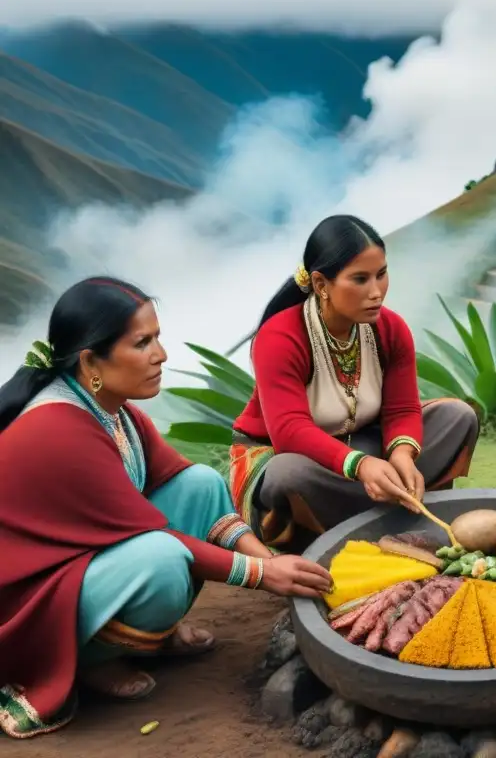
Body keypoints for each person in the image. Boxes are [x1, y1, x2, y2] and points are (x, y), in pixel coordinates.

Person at [0, 277, 334, 740]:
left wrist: (269, 558)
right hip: (30, 599)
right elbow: (152, 536)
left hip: (80, 560)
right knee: (161, 561)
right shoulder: (58, 428)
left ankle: (146, 637)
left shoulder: (110, 408)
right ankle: (90, 660)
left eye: (157, 338)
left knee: (199, 483)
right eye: (142, 343)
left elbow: (181, 485)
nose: (161, 354)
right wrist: (263, 575)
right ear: (90, 361)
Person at [230, 214, 479, 551]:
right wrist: (360, 466)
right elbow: (289, 431)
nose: (376, 292)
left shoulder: (390, 329)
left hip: (364, 444)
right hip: (294, 458)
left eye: (381, 274)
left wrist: (403, 456)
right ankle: (362, 528)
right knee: (288, 474)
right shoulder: (280, 337)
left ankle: (389, 510)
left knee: (457, 417)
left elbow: (402, 408)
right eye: (360, 279)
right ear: (321, 285)